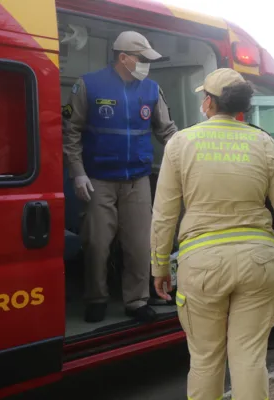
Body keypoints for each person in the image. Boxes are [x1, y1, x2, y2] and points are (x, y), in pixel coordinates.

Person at [149, 68, 274, 400]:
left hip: (202, 264)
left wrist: (159, 266)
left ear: (209, 102)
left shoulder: (181, 143)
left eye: (203, 97)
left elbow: (164, 213)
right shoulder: (263, 143)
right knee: (249, 359)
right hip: (259, 262)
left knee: (206, 361)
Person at [63, 31, 178, 323]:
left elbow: (167, 132)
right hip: (98, 179)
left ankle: (136, 300)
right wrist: (78, 174)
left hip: (137, 180)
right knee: (96, 243)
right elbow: (71, 132)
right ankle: (96, 297)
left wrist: (193, 153)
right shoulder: (88, 85)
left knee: (140, 244)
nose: (146, 66)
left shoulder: (151, 89)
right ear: (123, 57)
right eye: (142, 59)